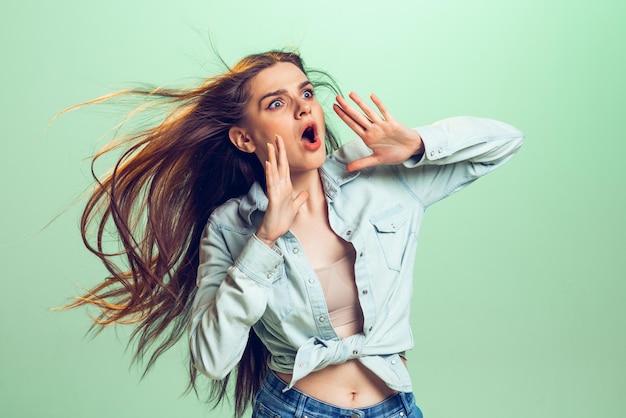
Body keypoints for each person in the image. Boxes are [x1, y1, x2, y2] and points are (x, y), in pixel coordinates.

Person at [67, 50, 523, 418]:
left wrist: (417, 145)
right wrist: (264, 242)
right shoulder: (232, 227)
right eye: (277, 103)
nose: (304, 105)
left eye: (306, 92)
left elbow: (505, 141)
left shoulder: (379, 175)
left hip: (395, 409)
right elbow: (212, 359)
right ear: (245, 139)